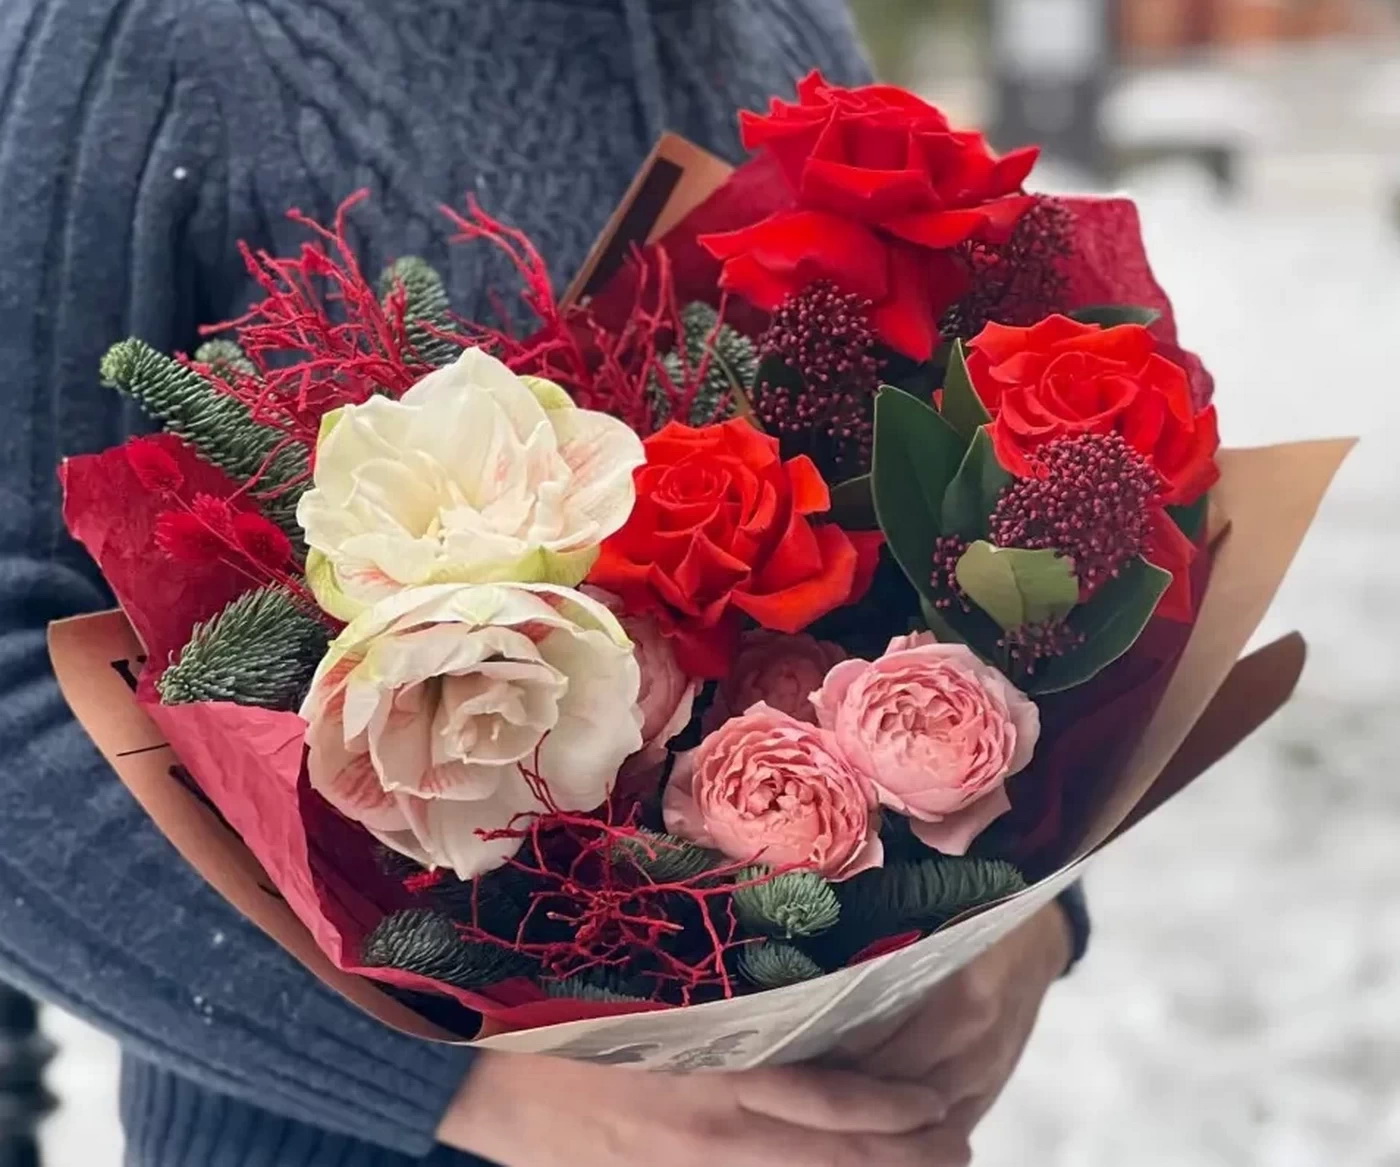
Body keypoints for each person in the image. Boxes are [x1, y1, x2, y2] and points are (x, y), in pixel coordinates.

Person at [0, 0, 1084, 1163]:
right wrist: (467, 1086)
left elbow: (927, 539)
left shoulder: (778, 22)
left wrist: (1015, 918)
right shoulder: (135, 35)